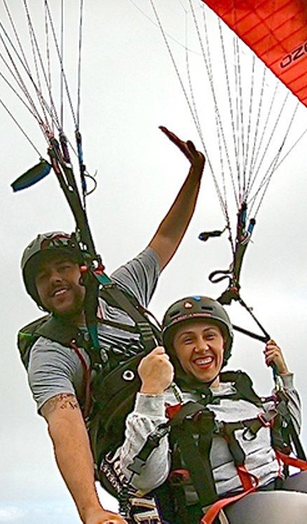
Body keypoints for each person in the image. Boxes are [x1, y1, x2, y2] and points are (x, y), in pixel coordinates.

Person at [20, 127, 205, 524]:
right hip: (129, 459)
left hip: (186, 433)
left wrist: (195, 176)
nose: (55, 279)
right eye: (43, 276)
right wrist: (90, 508)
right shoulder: (50, 350)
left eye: (63, 267)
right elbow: (64, 423)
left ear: (84, 271)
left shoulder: (121, 292)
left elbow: (166, 237)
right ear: (36, 293)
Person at [105, 295, 307, 524]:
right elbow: (143, 479)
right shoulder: (164, 400)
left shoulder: (241, 390)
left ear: (225, 344)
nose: (201, 347)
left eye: (210, 336)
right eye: (188, 340)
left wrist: (284, 376)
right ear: (174, 353)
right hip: (221, 508)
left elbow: (287, 432)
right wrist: (151, 392)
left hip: (274, 486)